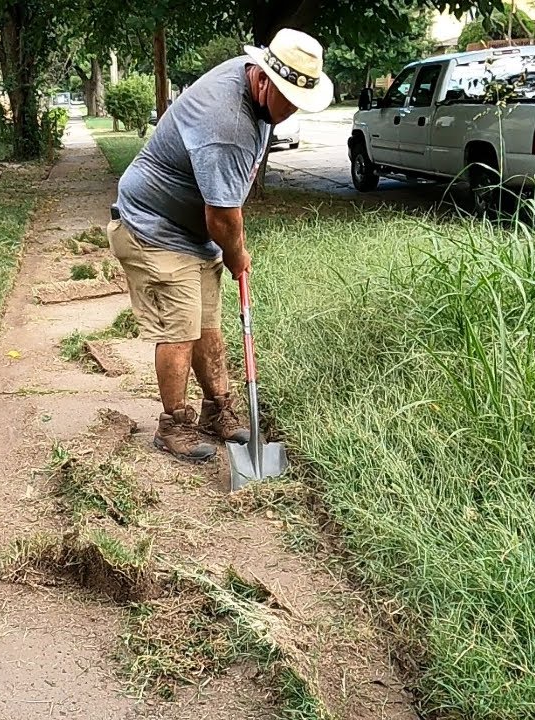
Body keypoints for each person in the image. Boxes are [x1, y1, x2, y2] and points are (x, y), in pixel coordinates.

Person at [107, 29, 333, 462]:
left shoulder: (253, 89)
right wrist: (237, 254)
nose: (289, 111)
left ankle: (218, 409)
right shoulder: (227, 121)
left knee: (207, 323)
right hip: (153, 227)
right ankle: (173, 425)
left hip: (192, 233)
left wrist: (226, 250)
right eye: (286, 98)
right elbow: (222, 217)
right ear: (263, 78)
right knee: (180, 327)